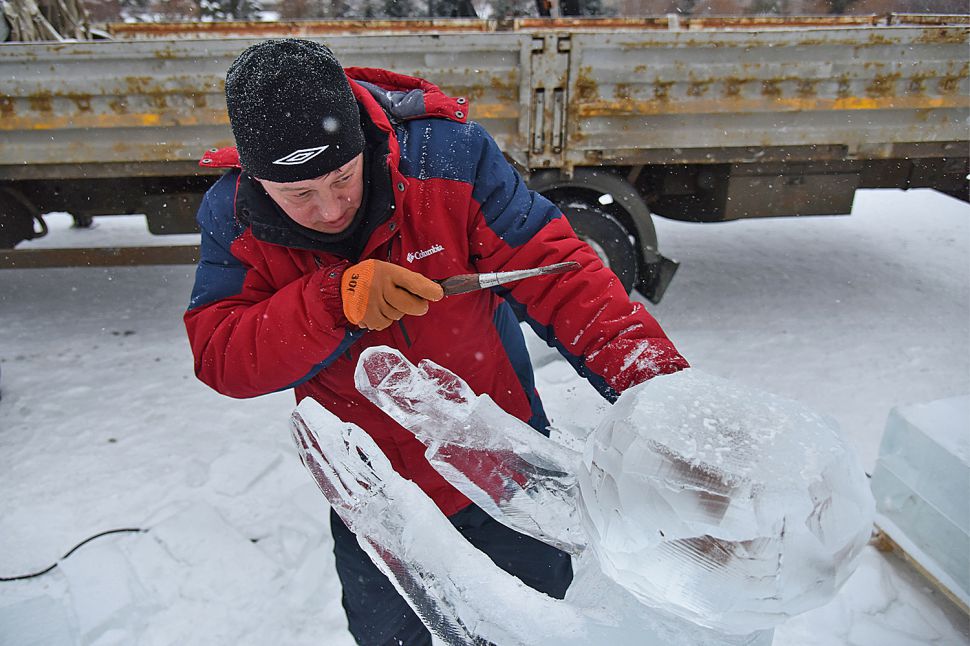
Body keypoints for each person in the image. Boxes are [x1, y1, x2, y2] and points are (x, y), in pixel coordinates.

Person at [184, 38, 689, 646]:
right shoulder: (232, 215)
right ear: (258, 178)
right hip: (376, 500)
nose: (330, 208)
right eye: (299, 195)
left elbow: (562, 276)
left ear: (362, 144)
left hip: (503, 471)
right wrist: (332, 301)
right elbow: (222, 354)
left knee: (535, 632)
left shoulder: (445, 158)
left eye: (342, 178)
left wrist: (663, 391)